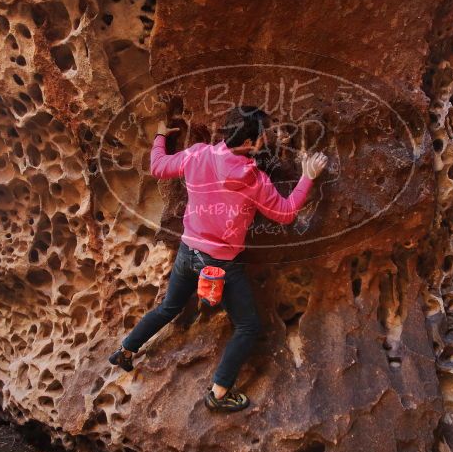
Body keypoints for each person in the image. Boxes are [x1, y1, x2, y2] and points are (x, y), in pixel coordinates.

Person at [109, 106, 328, 412]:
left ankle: (125, 350)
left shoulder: (198, 154)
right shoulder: (252, 179)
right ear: (251, 142)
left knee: (170, 306)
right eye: (265, 133)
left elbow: (158, 166)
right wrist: (307, 176)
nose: (269, 136)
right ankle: (219, 393)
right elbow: (286, 212)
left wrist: (160, 136)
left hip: (188, 252)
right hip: (221, 265)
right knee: (248, 327)